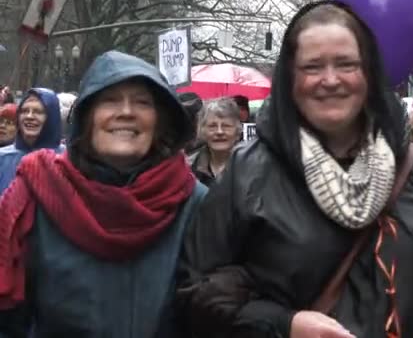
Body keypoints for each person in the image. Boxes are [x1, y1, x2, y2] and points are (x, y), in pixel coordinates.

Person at [176, 1, 413, 338]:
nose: (330, 80)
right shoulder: (248, 173)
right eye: (313, 67)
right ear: (290, 79)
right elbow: (193, 297)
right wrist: (284, 325)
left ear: (369, 74)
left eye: (346, 64)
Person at [0, 50, 207, 337]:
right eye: (109, 100)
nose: (126, 111)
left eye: (142, 102)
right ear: (87, 117)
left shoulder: (195, 203)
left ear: (160, 121)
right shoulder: (36, 194)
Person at [0, 88, 63, 193]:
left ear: (52, 117)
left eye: (38, 112)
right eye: (24, 111)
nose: (29, 116)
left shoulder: (67, 161)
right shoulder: (3, 158)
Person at [188, 97, 242, 187]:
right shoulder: (188, 168)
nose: (219, 132)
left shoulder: (253, 166)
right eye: (212, 126)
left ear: (237, 131)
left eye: (226, 126)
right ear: (202, 131)